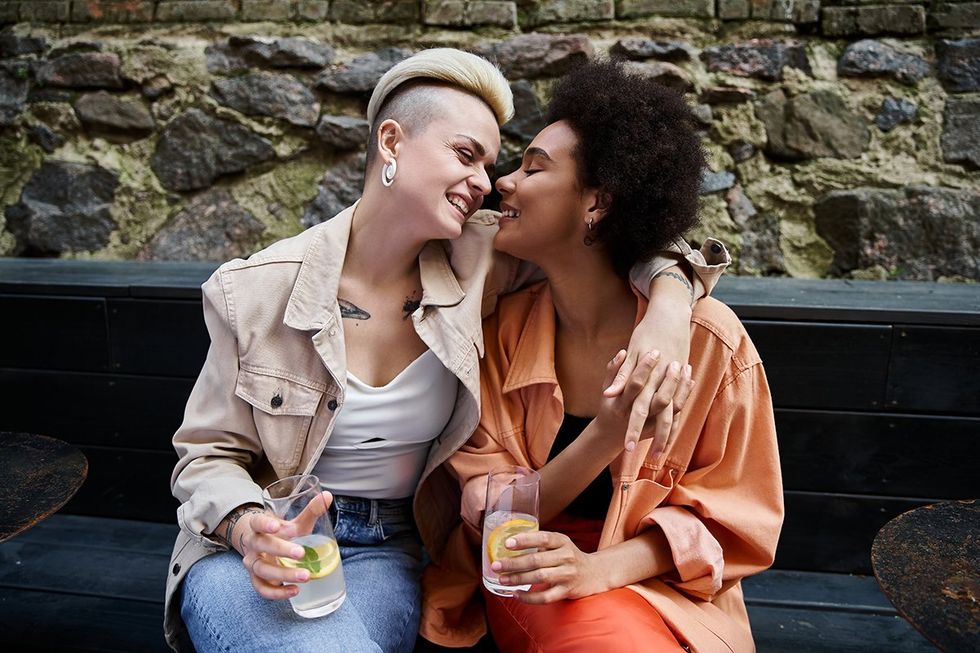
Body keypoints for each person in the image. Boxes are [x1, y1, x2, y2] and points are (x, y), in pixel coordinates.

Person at [164, 49, 729, 653]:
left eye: (490, 164)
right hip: (255, 549)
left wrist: (670, 301)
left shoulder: (483, 257)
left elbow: (613, 231)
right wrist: (251, 529)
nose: (486, 183)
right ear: (392, 142)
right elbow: (204, 456)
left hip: (393, 550)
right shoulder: (257, 288)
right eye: (465, 155)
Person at [421, 60, 783, 652]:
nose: (501, 183)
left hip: (662, 588)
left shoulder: (711, 343)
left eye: (532, 168)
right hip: (530, 572)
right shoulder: (501, 333)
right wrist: (608, 435)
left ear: (598, 203)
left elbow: (737, 523)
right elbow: (490, 513)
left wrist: (600, 567)